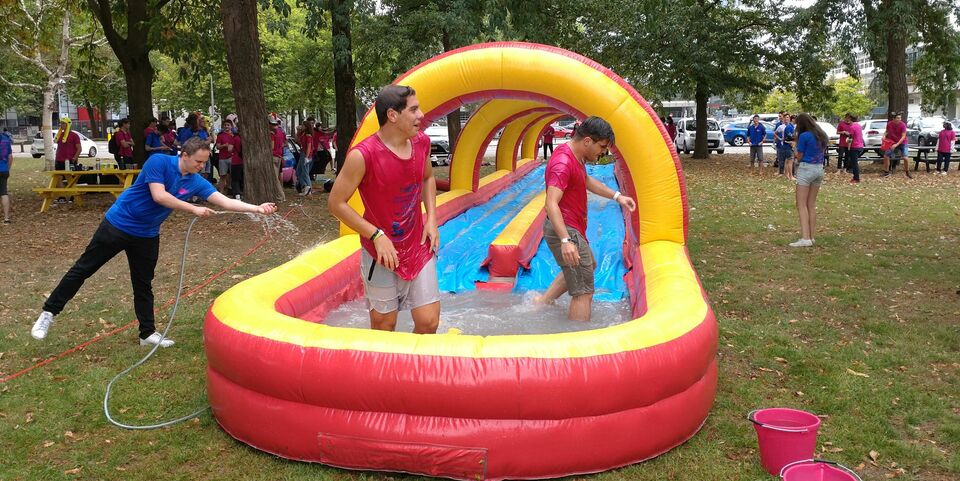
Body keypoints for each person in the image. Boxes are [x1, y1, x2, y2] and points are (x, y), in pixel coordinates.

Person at [30, 137, 277, 346]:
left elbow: (224, 201)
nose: (202, 166)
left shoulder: (195, 181)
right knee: (83, 270)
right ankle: (49, 312)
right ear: (184, 155)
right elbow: (159, 196)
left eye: (205, 162)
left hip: (147, 235)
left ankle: (147, 333)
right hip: (117, 225)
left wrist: (257, 208)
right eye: (198, 161)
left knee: (143, 283)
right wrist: (192, 209)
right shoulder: (159, 162)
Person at [328, 85, 440, 334]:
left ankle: (413, 370)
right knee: (384, 325)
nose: (421, 115)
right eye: (413, 109)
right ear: (392, 115)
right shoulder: (364, 155)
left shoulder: (421, 143)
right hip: (381, 249)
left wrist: (431, 218)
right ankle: (386, 372)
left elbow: (427, 178)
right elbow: (336, 203)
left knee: (429, 321)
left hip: (417, 243)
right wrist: (376, 235)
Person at [534, 116, 637, 321]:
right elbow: (551, 203)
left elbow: (586, 180)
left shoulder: (575, 155)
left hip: (571, 227)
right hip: (565, 228)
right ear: (587, 141)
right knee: (584, 292)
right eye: (601, 146)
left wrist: (617, 197)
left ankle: (542, 302)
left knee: (587, 265)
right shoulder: (563, 163)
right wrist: (566, 241)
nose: (603, 152)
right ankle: (576, 344)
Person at [784, 113, 827, 247]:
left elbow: (799, 156)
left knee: (801, 205)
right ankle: (811, 236)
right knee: (811, 204)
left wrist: (794, 147)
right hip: (819, 169)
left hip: (806, 169)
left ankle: (805, 238)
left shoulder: (804, 136)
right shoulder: (821, 135)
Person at [881, 111, 910, 178]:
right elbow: (887, 131)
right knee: (886, 156)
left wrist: (896, 144)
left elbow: (903, 136)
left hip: (902, 142)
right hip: (892, 142)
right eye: (897, 118)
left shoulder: (902, 125)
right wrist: (884, 136)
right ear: (893, 119)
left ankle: (907, 172)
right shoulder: (889, 124)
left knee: (905, 158)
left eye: (900, 118)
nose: (899, 119)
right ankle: (886, 172)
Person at [215, 119, 236, 194]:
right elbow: (217, 147)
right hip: (222, 158)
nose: (226, 126)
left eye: (228, 125)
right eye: (225, 125)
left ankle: (229, 188)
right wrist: (224, 145)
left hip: (232, 157)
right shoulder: (220, 135)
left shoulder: (234, 135)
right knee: (223, 175)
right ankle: (221, 191)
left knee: (231, 174)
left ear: (231, 126)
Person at [297, 117, 316, 195]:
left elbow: (309, 146)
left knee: (305, 172)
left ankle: (308, 188)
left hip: (306, 154)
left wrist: (307, 157)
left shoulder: (308, 135)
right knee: (299, 171)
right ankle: (305, 186)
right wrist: (298, 131)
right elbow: (298, 140)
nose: (302, 126)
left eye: (303, 125)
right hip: (303, 153)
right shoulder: (303, 134)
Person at [845, 114, 863, 184]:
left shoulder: (852, 127)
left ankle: (856, 178)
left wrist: (848, 147)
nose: (847, 120)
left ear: (850, 119)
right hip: (860, 146)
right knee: (854, 162)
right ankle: (855, 177)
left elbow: (850, 138)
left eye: (848, 118)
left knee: (854, 163)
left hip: (854, 147)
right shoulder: (858, 125)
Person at [0, 128, 12, 223]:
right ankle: (6, 218)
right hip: (3, 169)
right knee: (4, 192)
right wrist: (7, 168)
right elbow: (10, 157)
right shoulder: (6, 139)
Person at [269, 115, 286, 179]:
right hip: (279, 155)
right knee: (278, 176)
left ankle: (277, 189)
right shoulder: (281, 131)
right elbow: (284, 143)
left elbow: (272, 146)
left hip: (273, 156)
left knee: (274, 178)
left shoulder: (272, 133)